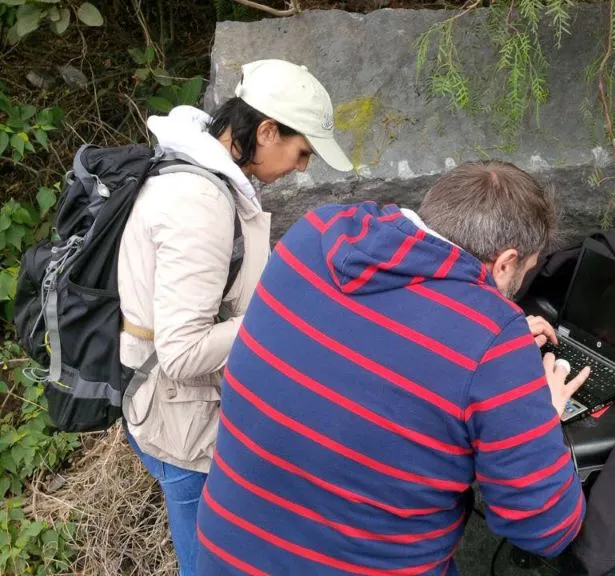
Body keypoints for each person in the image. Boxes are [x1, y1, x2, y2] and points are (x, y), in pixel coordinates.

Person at [196, 161, 591, 574]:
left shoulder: (312, 235)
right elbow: (546, 529)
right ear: (506, 262)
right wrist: (537, 410)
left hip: (227, 556)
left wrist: (490, 350)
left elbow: (376, 345)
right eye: (522, 276)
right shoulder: (494, 344)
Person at [118, 59, 352, 576]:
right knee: (208, 566)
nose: (303, 167)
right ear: (266, 131)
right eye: (302, 151)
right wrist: (282, 311)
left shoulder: (205, 176)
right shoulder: (199, 201)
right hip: (181, 425)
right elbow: (180, 352)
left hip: (186, 411)